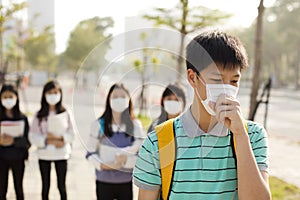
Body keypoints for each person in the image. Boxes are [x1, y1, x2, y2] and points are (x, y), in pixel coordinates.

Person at [133, 30, 271, 199]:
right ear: (192, 78)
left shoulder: (254, 136)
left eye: (234, 81)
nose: (227, 89)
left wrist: (240, 135)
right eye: (217, 80)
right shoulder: (158, 141)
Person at [86, 83, 145, 200]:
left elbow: (142, 156)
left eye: (123, 97)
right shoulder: (98, 125)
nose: (119, 100)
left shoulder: (135, 126)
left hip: (125, 183)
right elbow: (89, 154)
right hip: (103, 182)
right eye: (115, 97)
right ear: (108, 100)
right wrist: (105, 165)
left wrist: (126, 161)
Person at [29, 80, 74, 200]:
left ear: (60, 94)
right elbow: (32, 136)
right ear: (44, 95)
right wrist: (46, 140)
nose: (53, 95)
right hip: (44, 154)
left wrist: (60, 138)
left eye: (55, 92)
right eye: (49, 93)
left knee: (62, 186)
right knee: (45, 186)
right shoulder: (39, 115)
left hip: (61, 153)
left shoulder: (66, 112)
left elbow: (72, 133)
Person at [0, 84, 30, 200]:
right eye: (5, 97)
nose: (8, 100)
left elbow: (27, 141)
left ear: (16, 98)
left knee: (19, 188)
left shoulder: (22, 118)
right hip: (1, 158)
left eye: (10, 96)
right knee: (1, 189)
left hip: (18, 157)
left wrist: (13, 140)